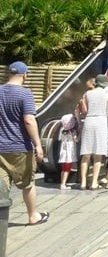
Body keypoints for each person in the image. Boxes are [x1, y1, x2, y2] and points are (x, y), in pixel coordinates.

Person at [0, 61, 49, 225]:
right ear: (24, 75)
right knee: (27, 184)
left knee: (1, 186)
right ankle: (33, 216)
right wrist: (38, 144)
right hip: (20, 147)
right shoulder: (25, 94)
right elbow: (29, 120)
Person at [79, 74, 108, 190]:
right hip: (101, 121)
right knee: (98, 155)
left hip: (89, 121)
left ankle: (83, 183)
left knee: (86, 154)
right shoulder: (106, 95)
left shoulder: (87, 94)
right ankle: (93, 183)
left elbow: (85, 111)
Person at [58, 113, 78, 190]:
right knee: (67, 169)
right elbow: (76, 140)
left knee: (63, 169)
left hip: (63, 152)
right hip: (69, 152)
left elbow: (60, 139)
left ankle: (62, 183)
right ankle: (63, 184)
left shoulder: (62, 130)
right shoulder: (73, 131)